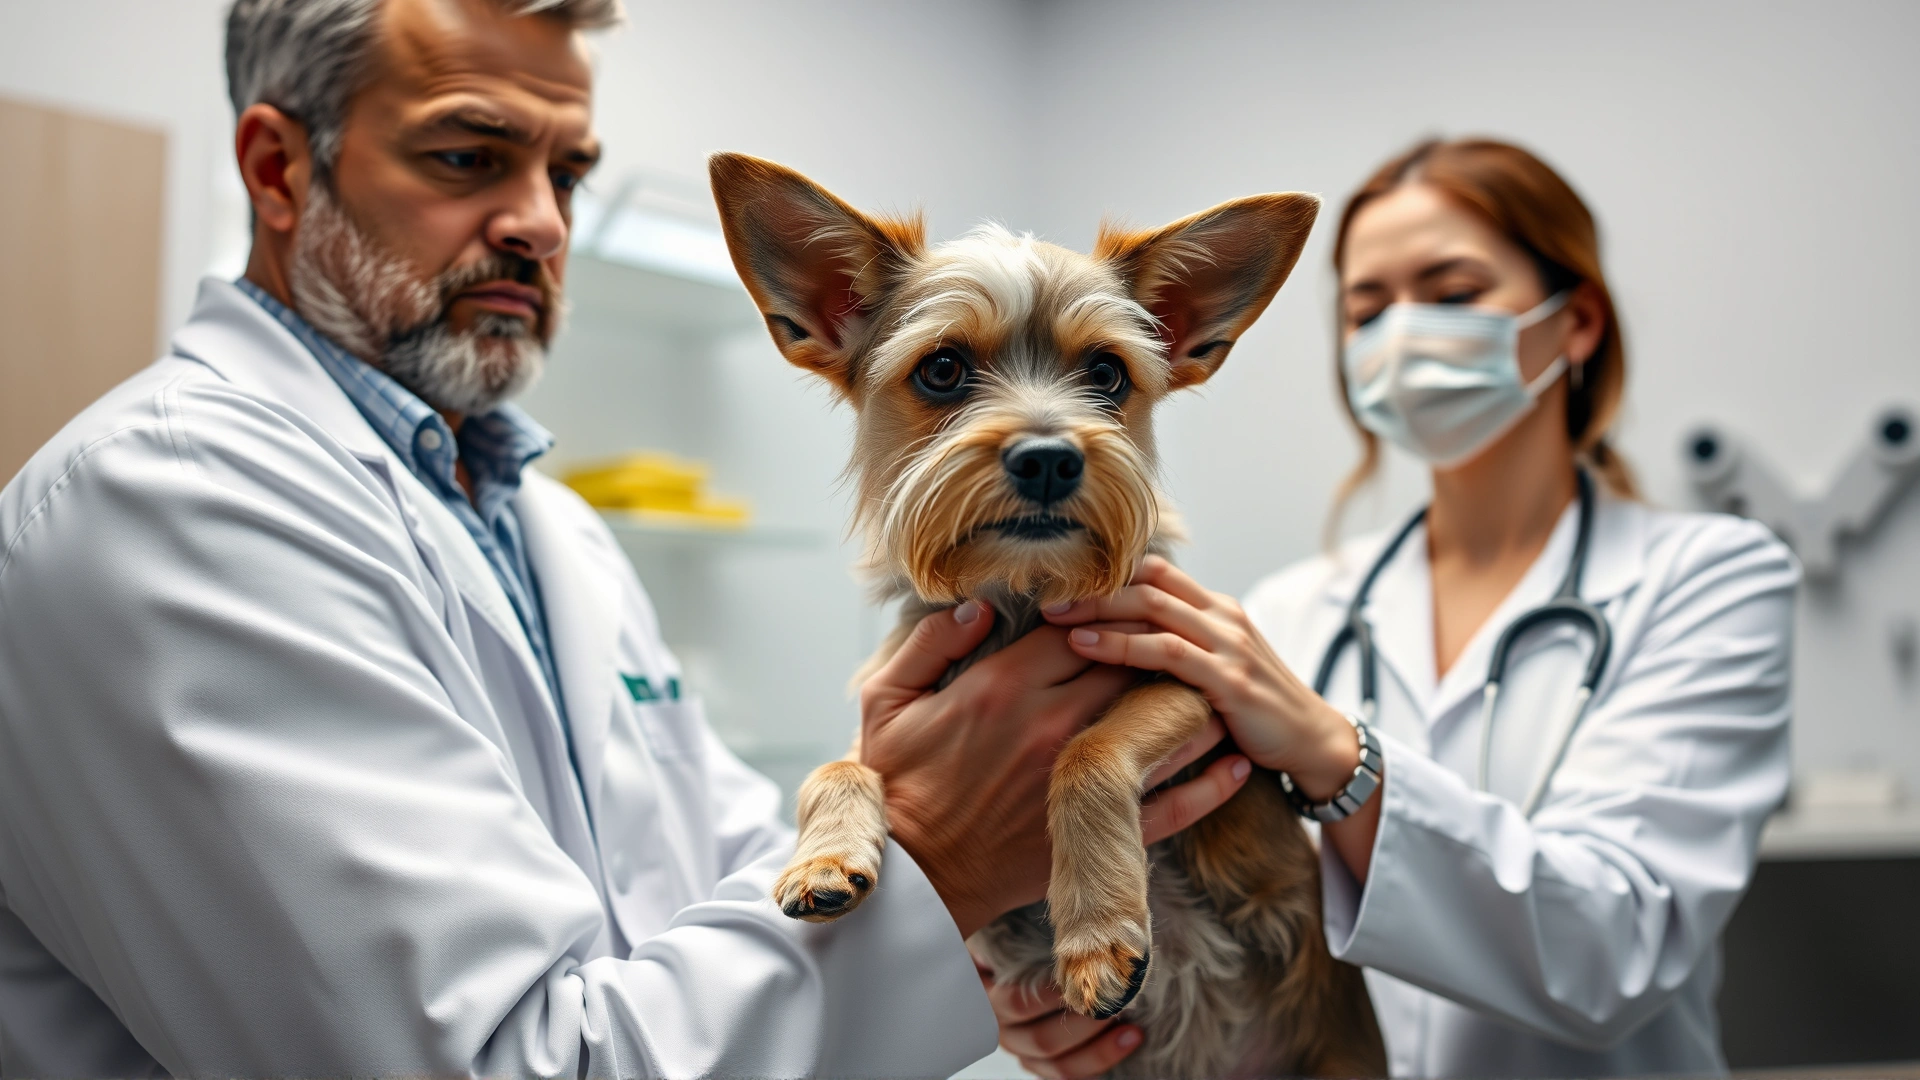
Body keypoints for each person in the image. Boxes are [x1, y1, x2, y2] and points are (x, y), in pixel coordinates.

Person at [0, 1, 1248, 1075]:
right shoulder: (172, 502)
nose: (541, 222)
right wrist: (941, 866)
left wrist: (960, 971)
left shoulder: (549, 528)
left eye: (568, 175)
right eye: (467, 157)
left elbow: (733, 875)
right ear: (278, 172)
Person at [996, 138, 1797, 1078]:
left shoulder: (1709, 577)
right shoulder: (1297, 608)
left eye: (1453, 294)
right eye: (1368, 309)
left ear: (1576, 323)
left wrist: (1338, 758)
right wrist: (1044, 1008)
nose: (1406, 335)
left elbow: (1617, 946)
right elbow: (1220, 918)